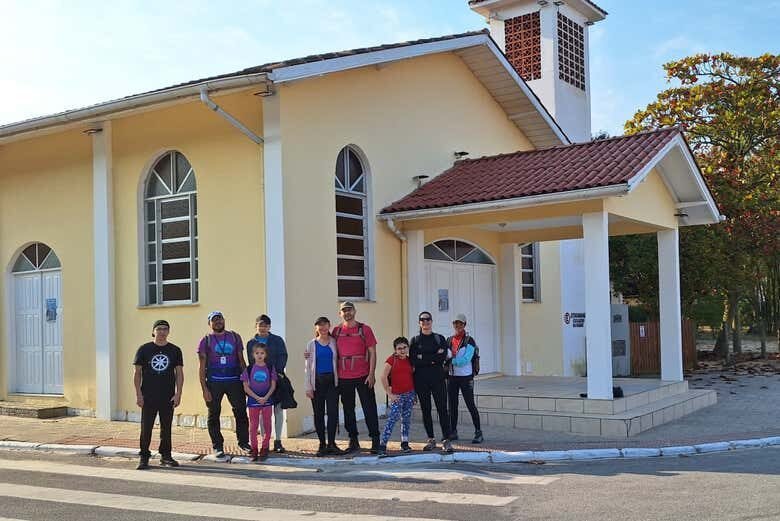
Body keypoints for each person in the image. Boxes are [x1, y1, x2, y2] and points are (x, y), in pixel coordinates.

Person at [198, 311, 251, 459]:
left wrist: (247, 381)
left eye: (220, 319)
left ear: (224, 320)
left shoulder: (234, 337)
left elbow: (241, 360)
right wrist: (204, 388)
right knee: (213, 414)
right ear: (210, 324)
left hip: (234, 380)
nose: (218, 322)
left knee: (240, 412)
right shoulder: (206, 340)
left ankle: (244, 443)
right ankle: (218, 446)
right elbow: (201, 366)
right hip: (214, 382)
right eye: (214, 320)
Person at [133, 319, 183, 470]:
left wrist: (178, 393)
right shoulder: (144, 349)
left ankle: (166, 456)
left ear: (168, 332)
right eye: (159, 329)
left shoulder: (175, 350)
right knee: (146, 427)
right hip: (148, 395)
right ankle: (144, 457)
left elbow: (179, 374)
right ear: (153, 331)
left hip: (168, 395)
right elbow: (137, 373)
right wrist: (138, 395)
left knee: (166, 428)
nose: (162, 332)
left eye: (165, 329)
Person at [334, 301, 380, 453]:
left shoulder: (364, 329)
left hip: (363, 375)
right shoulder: (336, 331)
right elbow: (324, 344)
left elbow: (372, 352)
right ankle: (353, 440)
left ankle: (375, 440)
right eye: (344, 311)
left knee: (369, 408)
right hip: (343, 376)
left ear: (355, 311)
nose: (347, 313)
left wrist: (372, 374)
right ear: (340, 313)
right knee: (348, 409)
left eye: (349, 310)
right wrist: (310, 352)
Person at [410, 311, 453, 453]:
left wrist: (425, 358)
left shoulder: (439, 338)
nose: (425, 322)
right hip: (421, 381)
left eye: (428, 319)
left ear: (432, 321)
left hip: (438, 379)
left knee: (442, 409)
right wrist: (433, 357)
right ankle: (431, 439)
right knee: (426, 410)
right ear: (419, 322)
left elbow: (443, 358)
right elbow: (414, 360)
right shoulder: (415, 341)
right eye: (422, 319)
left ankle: (446, 440)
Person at [246, 314, 289, 453]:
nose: (263, 328)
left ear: (269, 327)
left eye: (265, 325)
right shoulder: (251, 343)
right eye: (260, 325)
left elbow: (283, 356)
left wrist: (276, 372)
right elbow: (252, 363)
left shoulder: (277, 340)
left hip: (276, 379)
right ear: (256, 326)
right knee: (261, 412)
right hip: (258, 381)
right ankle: (266, 442)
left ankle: (278, 441)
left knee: (277, 410)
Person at [304, 317, 345, 456]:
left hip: (332, 383)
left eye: (325, 325)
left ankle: (332, 443)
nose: (323, 328)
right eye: (319, 326)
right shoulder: (311, 344)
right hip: (317, 383)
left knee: (333, 413)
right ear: (316, 328)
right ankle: (322, 444)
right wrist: (308, 386)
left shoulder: (334, 342)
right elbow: (308, 367)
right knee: (319, 414)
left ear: (329, 326)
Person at [447, 313, 483, 444]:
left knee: (470, 404)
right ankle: (453, 431)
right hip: (452, 377)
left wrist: (451, 360)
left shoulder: (470, 341)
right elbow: (445, 355)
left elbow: (466, 359)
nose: (458, 326)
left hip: (466, 377)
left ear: (464, 325)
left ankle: (478, 432)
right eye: (455, 323)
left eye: (460, 323)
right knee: (452, 405)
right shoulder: (449, 339)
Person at [377, 337, 415, 457]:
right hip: (397, 396)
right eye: (399, 348)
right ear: (395, 350)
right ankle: (383, 445)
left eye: (404, 347)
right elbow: (383, 377)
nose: (402, 350)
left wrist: (415, 395)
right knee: (392, 419)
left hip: (409, 394)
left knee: (406, 419)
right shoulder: (391, 360)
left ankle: (404, 442)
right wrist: (389, 394)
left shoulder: (410, 360)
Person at [241, 343, 277, 461]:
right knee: (253, 426)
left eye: (262, 353)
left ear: (265, 354)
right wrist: (257, 397)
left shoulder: (270, 367)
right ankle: (254, 449)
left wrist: (266, 397)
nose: (259, 355)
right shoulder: (249, 368)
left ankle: (265, 448)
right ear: (253, 355)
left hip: (267, 401)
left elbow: (273, 385)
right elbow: (246, 387)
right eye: (257, 353)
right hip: (253, 401)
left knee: (267, 426)